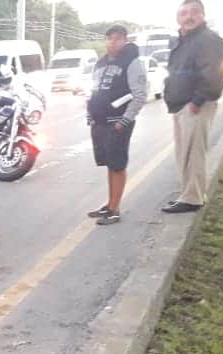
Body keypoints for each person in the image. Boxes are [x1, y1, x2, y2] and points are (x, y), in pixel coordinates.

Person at [162, 0, 223, 213]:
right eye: (183, 13)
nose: (188, 17)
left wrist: (197, 101)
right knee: (184, 153)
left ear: (203, 15)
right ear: (177, 17)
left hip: (195, 105)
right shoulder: (183, 40)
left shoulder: (207, 39)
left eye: (194, 12)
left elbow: (215, 73)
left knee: (193, 153)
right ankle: (189, 194)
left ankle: (193, 199)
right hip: (181, 104)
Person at [86, 26, 147, 226]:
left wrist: (124, 121)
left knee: (118, 165)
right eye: (110, 39)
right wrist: (91, 114)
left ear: (125, 40)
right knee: (110, 164)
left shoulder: (132, 62)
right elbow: (93, 91)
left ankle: (114, 210)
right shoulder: (101, 63)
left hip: (117, 124)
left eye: (118, 39)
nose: (113, 42)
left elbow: (139, 95)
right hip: (100, 122)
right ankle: (110, 204)